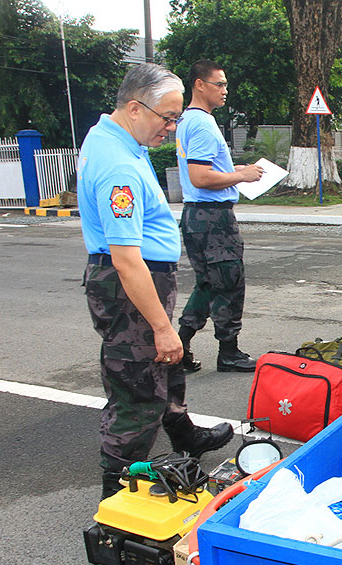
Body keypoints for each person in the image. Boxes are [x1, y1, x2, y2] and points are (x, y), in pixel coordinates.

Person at [78, 63, 234, 499]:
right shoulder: (118, 167)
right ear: (133, 108)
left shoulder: (117, 138)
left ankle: (184, 434)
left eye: (177, 117)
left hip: (141, 280)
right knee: (137, 390)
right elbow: (127, 261)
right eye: (167, 118)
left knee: (166, 366)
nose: (172, 127)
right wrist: (164, 328)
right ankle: (117, 496)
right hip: (132, 285)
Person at [174, 60, 263, 373]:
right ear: (200, 84)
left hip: (199, 216)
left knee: (209, 285)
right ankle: (229, 352)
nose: (225, 91)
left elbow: (204, 170)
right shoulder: (201, 124)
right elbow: (200, 177)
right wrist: (241, 177)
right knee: (228, 283)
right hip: (212, 219)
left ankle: (179, 343)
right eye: (219, 84)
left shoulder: (190, 120)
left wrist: (234, 171)